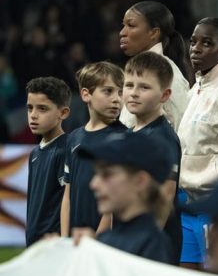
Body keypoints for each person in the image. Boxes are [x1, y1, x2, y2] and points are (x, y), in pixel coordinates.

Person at [177, 18, 218, 269]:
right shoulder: (193, 90)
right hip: (189, 204)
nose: (196, 48)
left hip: (215, 205)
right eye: (193, 41)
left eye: (207, 43)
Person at [73, 131, 174, 264]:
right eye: (96, 174)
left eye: (107, 174)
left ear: (140, 181)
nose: (93, 184)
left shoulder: (153, 245)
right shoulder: (107, 237)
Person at [123, 52, 182, 264]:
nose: (134, 93)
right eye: (129, 85)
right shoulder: (130, 133)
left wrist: (145, 242)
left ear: (165, 95)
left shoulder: (162, 138)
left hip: (154, 248)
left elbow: (165, 194)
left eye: (144, 87)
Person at [61, 62, 126, 236]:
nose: (117, 99)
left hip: (102, 242)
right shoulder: (73, 138)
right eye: (108, 91)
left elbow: (113, 203)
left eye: (120, 92)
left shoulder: (124, 138)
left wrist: (97, 241)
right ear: (85, 94)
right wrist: (64, 238)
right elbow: (67, 195)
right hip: (75, 240)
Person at [118, 0, 192, 129]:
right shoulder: (137, 68)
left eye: (131, 25)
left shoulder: (168, 73)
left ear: (153, 33)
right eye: (123, 25)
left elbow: (181, 128)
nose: (122, 32)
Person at [25, 77, 70, 245]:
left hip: (53, 244)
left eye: (42, 109)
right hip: (34, 242)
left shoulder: (67, 149)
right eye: (30, 108)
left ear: (63, 113)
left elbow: (70, 200)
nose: (33, 115)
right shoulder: (35, 153)